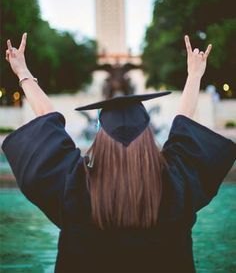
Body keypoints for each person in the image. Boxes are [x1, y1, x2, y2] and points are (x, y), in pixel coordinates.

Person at [2, 33, 236, 273]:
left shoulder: (74, 187)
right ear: (148, 135)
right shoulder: (176, 185)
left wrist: (23, 73)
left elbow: (47, 119)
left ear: (100, 138)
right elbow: (184, 124)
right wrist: (195, 75)